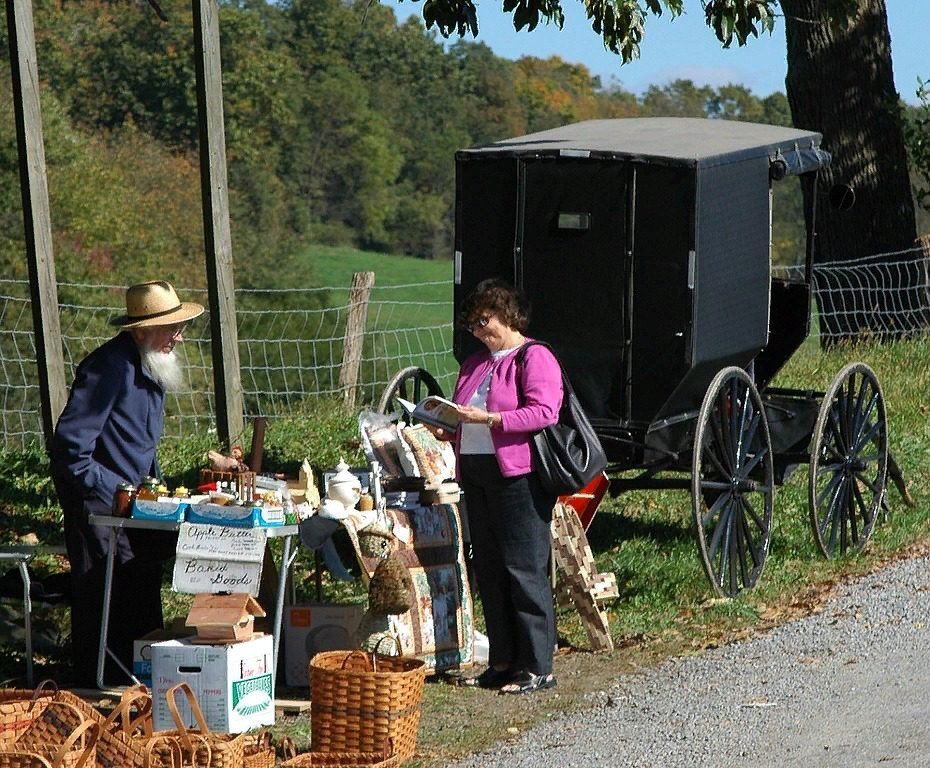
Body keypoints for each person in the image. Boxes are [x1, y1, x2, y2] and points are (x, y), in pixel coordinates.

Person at [50, 280, 204, 686]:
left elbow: (137, 442)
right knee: (104, 596)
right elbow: (70, 448)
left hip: (132, 505)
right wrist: (111, 493)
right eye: (170, 327)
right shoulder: (109, 367)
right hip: (99, 507)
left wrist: (155, 491)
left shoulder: (149, 361)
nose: (178, 335)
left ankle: (139, 685)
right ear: (140, 330)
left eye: (178, 326)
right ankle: (95, 687)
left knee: (140, 587)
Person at [440, 278, 563, 694]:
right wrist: (448, 428)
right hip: (475, 472)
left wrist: (491, 421)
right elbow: (465, 414)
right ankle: (504, 661)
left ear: (507, 314)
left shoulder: (535, 356)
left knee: (523, 568)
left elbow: (544, 412)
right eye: (472, 325)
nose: (478, 330)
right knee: (490, 569)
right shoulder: (475, 363)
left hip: (518, 475)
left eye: (483, 320)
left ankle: (537, 665)